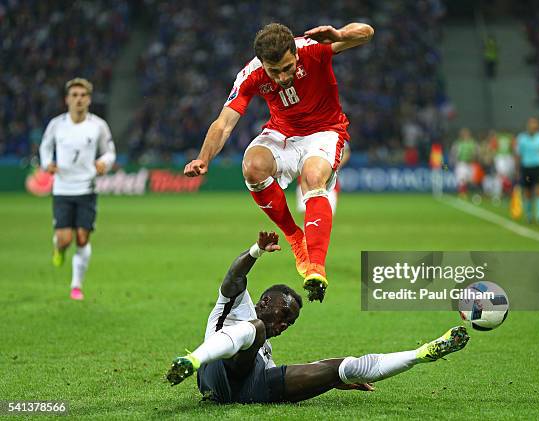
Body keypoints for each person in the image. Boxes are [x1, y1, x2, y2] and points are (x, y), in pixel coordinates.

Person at [183, 23, 375, 302]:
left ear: (295, 53)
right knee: (252, 166)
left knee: (312, 176)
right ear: (262, 64)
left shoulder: (313, 48)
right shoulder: (250, 75)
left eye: (288, 67)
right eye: (275, 71)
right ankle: (295, 238)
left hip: (324, 130)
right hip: (282, 133)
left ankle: (316, 267)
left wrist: (341, 35)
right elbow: (224, 123)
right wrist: (203, 158)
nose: (283, 76)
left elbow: (367, 32)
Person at [166, 231, 470, 404]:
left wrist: (331, 379)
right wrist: (256, 251)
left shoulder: (266, 350)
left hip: (250, 388)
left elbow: (274, 373)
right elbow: (234, 275)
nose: (284, 325)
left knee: (344, 368)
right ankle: (191, 360)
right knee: (254, 328)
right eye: (284, 314)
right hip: (213, 373)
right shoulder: (237, 306)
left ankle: (423, 353)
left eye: (290, 323)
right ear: (267, 300)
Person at [39, 78, 116, 300]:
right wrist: (47, 164)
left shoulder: (98, 125)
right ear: (67, 99)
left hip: (87, 187)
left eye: (83, 95)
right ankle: (58, 248)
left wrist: (105, 163)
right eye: (74, 95)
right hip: (63, 188)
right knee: (64, 239)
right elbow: (45, 147)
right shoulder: (56, 125)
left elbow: (109, 151)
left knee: (82, 238)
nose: (79, 99)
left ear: (89, 99)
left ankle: (76, 286)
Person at [296, 141, 350, 215]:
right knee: (307, 212)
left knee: (325, 213)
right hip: (307, 179)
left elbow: (346, 150)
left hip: (327, 181)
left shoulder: (333, 133)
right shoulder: (305, 133)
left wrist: (337, 165)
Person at [515, 117, 539, 223]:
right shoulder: (521, 138)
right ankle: (528, 216)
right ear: (528, 125)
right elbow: (518, 155)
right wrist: (517, 169)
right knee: (527, 192)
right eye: (531, 124)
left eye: (535, 124)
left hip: (537, 167)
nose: (533, 126)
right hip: (526, 167)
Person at [451, 128, 478, 198]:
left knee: (469, 179)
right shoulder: (458, 143)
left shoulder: (472, 143)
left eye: (467, 134)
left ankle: (466, 192)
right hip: (461, 163)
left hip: (470, 163)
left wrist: (474, 156)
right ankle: (462, 193)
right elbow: (454, 153)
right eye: (464, 134)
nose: (465, 135)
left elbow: (476, 152)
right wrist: (454, 161)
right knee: (461, 178)